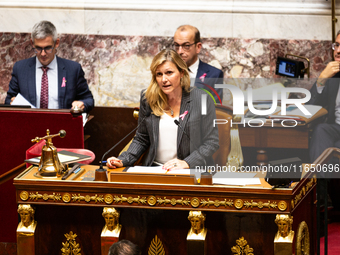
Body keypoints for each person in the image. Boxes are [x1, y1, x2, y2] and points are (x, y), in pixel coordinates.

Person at [106, 49, 219, 170]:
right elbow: (141, 138)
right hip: (154, 168)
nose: (164, 79)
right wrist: (123, 159)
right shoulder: (148, 99)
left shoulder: (201, 98)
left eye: (169, 72)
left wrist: (187, 162)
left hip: (188, 170)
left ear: (181, 73)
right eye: (159, 74)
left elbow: (211, 142)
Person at [5, 20, 94, 113]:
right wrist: (12, 103)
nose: (43, 54)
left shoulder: (73, 69)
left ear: (57, 43)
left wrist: (81, 104)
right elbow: (9, 100)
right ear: (32, 43)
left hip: (62, 126)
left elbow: (88, 99)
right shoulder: (20, 69)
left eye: (48, 48)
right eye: (38, 48)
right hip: (30, 125)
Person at [309, 30, 340, 210]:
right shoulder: (333, 74)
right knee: (320, 130)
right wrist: (321, 79)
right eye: (337, 45)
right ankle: (318, 203)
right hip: (335, 128)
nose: (338, 51)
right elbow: (311, 105)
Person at [173, 25, 224, 104]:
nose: (180, 51)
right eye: (177, 45)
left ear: (198, 47)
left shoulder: (214, 75)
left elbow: (215, 110)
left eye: (186, 46)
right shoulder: (167, 72)